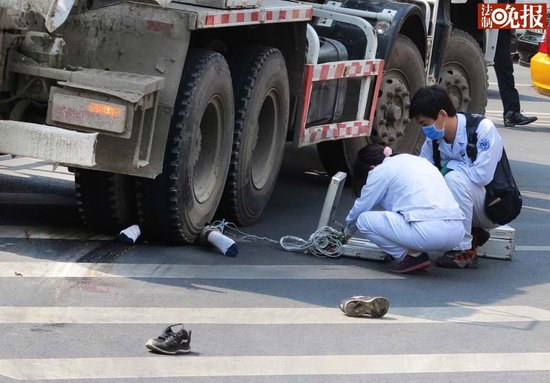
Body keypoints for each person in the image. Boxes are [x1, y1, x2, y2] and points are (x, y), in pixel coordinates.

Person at [410, 85, 502, 269]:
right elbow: (422, 174)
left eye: (425, 124)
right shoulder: (434, 140)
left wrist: (449, 167)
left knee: (454, 179)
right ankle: (472, 233)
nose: (424, 130)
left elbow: (481, 176)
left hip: (493, 206)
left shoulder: (482, 129)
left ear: (442, 115)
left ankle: (464, 249)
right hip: (465, 203)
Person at [344, 144, 465, 274]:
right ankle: (415, 251)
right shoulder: (419, 161)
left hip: (428, 233)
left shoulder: (381, 170)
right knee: (403, 216)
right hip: (457, 232)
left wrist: (347, 233)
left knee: (363, 220)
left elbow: (362, 206)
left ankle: (412, 257)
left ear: (371, 168)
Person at [494, 0, 537, 127]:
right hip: (495, 14)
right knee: (505, 68)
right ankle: (511, 112)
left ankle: (511, 112)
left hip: (500, 16)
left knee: (505, 68)